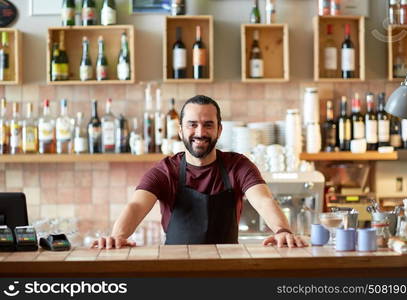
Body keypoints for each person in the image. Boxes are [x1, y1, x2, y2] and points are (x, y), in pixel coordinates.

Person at [91, 95, 307, 249]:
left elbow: (263, 200)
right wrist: (116, 237)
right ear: (180, 130)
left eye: (208, 125)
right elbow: (137, 205)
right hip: (174, 273)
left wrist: (282, 231)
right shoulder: (166, 170)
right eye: (192, 124)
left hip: (229, 274)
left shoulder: (238, 166)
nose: (200, 132)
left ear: (219, 130)